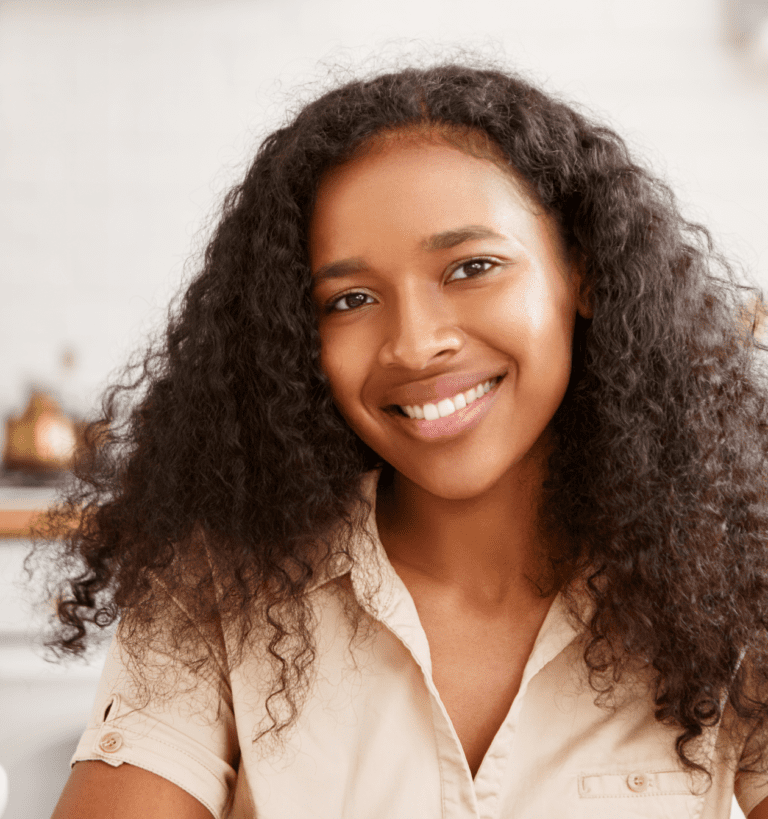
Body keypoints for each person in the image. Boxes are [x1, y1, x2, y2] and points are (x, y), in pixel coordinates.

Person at [40, 61, 768, 819]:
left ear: (582, 274)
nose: (415, 345)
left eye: (471, 267)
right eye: (350, 299)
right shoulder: (212, 591)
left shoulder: (736, 586)